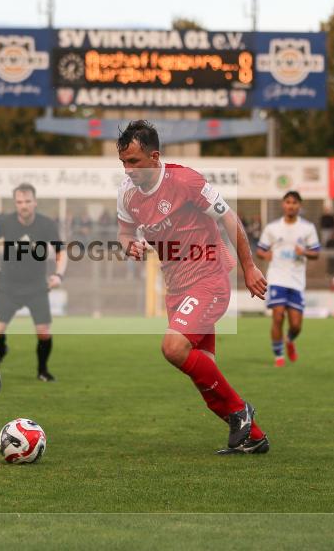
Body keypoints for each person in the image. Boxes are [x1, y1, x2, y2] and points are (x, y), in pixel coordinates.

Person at [115, 120, 270, 455]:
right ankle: (253, 436)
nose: (129, 170)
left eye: (135, 162)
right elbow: (125, 234)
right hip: (177, 289)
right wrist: (131, 245)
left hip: (209, 278)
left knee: (173, 348)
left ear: (155, 157)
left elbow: (229, 218)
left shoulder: (185, 180)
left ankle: (241, 412)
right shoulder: (126, 195)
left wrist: (249, 266)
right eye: (124, 163)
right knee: (205, 377)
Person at [0, 183, 67, 382]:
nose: (24, 205)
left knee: (43, 332)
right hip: (8, 286)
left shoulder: (47, 224)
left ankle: (42, 370)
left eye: (28, 201)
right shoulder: (4, 222)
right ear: (15, 203)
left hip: (37, 286)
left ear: (35, 202)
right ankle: (2, 347)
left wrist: (58, 275)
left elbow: (61, 252)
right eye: (20, 202)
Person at [256, 191, 321, 367]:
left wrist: (305, 252)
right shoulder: (272, 228)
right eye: (288, 202)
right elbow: (260, 249)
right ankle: (279, 357)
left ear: (299, 205)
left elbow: (316, 253)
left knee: (296, 325)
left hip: (296, 280)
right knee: (277, 316)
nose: (291, 205)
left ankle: (289, 339)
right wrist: (266, 254)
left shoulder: (307, 228)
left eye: (294, 202)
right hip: (277, 277)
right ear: (283, 205)